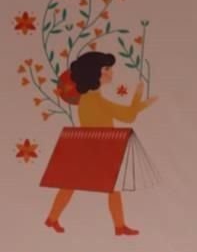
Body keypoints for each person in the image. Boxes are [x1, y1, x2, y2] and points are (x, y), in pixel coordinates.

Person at [44, 51, 158, 236]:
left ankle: (117, 226)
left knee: (84, 186)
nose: (111, 72)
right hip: (94, 149)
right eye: (106, 69)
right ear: (94, 73)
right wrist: (138, 98)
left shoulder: (92, 99)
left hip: (97, 148)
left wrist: (141, 102)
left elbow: (126, 114)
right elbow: (127, 115)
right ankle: (53, 218)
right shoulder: (93, 100)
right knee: (75, 185)